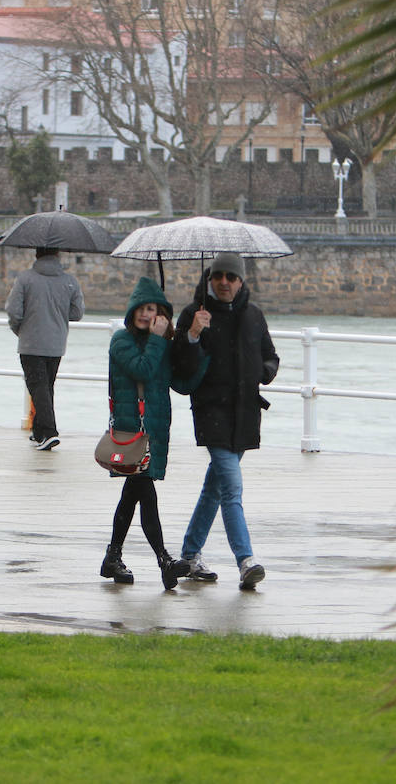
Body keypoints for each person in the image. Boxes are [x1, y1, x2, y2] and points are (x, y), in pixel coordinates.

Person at [171, 252, 279, 590]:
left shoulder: (254, 316)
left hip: (245, 414)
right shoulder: (194, 315)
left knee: (214, 489)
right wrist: (191, 335)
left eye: (231, 277)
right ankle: (246, 561)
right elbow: (180, 367)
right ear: (210, 278)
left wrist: (263, 372)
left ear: (241, 281)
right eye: (218, 276)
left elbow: (270, 356)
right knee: (232, 488)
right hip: (211, 413)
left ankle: (190, 555)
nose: (224, 282)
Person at [100, 276, 208, 589]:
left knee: (133, 494)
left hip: (155, 431)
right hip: (132, 432)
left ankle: (113, 556)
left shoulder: (161, 343)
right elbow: (143, 370)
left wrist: (199, 344)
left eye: (154, 309)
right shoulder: (121, 341)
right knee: (144, 493)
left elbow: (183, 383)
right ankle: (164, 560)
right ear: (132, 311)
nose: (147, 315)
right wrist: (159, 340)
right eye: (143, 308)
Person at [4, 247, 84, 451]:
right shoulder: (70, 281)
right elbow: (77, 313)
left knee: (37, 387)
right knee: (47, 387)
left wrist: (20, 331)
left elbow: (14, 311)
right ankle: (39, 432)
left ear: (36, 255)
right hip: (56, 344)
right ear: (58, 255)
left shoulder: (25, 279)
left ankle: (49, 432)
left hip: (30, 343)